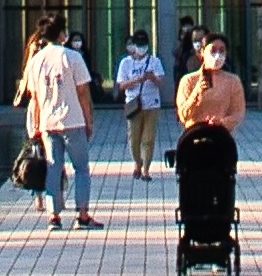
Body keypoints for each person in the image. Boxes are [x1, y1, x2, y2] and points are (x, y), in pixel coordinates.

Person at [16, 17, 100, 226]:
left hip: (48, 123)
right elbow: (83, 92)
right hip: (72, 120)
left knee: (53, 167)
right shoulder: (73, 57)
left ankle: (53, 215)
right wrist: (89, 120)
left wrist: (35, 125)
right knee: (81, 168)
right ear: (62, 34)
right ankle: (82, 214)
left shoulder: (36, 61)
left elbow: (34, 98)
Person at [114, 37, 171, 177]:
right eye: (139, 45)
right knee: (134, 138)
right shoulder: (126, 63)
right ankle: (137, 162)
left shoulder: (154, 61)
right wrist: (136, 80)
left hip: (152, 104)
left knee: (148, 138)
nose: (141, 48)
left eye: (144, 45)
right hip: (133, 104)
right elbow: (121, 85)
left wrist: (152, 77)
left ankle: (146, 168)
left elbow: (161, 83)